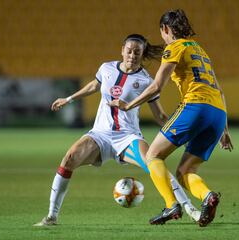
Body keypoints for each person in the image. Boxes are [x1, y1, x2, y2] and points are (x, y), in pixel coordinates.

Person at [34, 34, 200, 227]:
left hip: (127, 137)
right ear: (122, 50)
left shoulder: (146, 81)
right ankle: (51, 217)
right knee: (69, 159)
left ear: (142, 54)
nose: (132, 55)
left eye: (137, 52)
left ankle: (190, 209)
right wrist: (69, 99)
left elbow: (160, 115)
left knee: (155, 164)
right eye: (129, 51)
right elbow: (94, 85)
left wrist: (180, 134)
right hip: (100, 134)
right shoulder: (106, 68)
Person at [109, 10, 233, 227]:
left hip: (196, 106)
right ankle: (207, 196)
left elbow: (157, 85)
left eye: (162, 32)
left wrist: (128, 105)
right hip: (218, 113)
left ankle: (171, 205)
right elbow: (220, 91)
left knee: (153, 156)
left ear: (166, 29)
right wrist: (224, 129)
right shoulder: (200, 50)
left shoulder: (174, 48)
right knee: (186, 171)